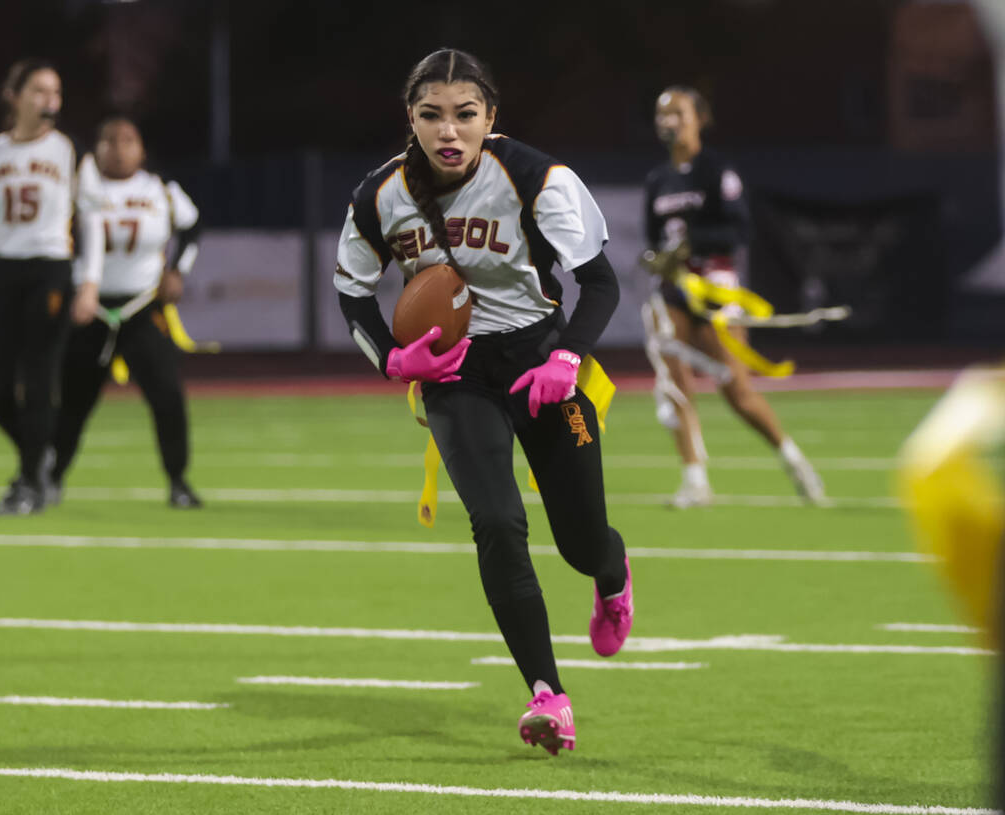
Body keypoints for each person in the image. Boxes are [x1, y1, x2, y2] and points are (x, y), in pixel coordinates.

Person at [334, 49, 631, 756]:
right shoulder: (379, 195)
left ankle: (613, 576)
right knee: (497, 522)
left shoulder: (536, 177)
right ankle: (547, 695)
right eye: (431, 114)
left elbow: (602, 283)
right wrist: (393, 358)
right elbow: (351, 290)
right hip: (456, 374)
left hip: (538, 362)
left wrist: (568, 356)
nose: (448, 130)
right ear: (410, 118)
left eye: (465, 114)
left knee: (581, 540)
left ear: (491, 118)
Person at [642, 86, 825, 509]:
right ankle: (694, 479)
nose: (668, 120)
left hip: (716, 289)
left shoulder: (716, 169)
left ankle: (793, 458)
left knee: (737, 391)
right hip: (673, 291)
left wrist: (692, 245)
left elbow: (738, 230)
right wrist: (657, 259)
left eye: (677, 112)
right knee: (673, 381)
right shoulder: (657, 180)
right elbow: (653, 240)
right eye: (661, 113)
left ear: (699, 118)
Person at [0, 58, 103, 516]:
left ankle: (30, 486)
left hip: (50, 270)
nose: (50, 101)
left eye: (55, 92)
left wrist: (89, 283)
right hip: (1, 272)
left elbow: (91, 224)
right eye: (39, 90)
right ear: (13, 96)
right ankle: (38, 461)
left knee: (38, 381)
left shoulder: (70, 151)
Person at [47, 115, 203, 509]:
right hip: (90, 310)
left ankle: (178, 481)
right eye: (109, 140)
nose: (118, 148)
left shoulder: (160, 190)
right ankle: (49, 478)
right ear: (95, 149)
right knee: (72, 402)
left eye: (128, 139)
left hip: (141, 306)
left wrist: (177, 271)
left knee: (167, 395)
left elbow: (192, 227)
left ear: (142, 149)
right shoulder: (76, 190)